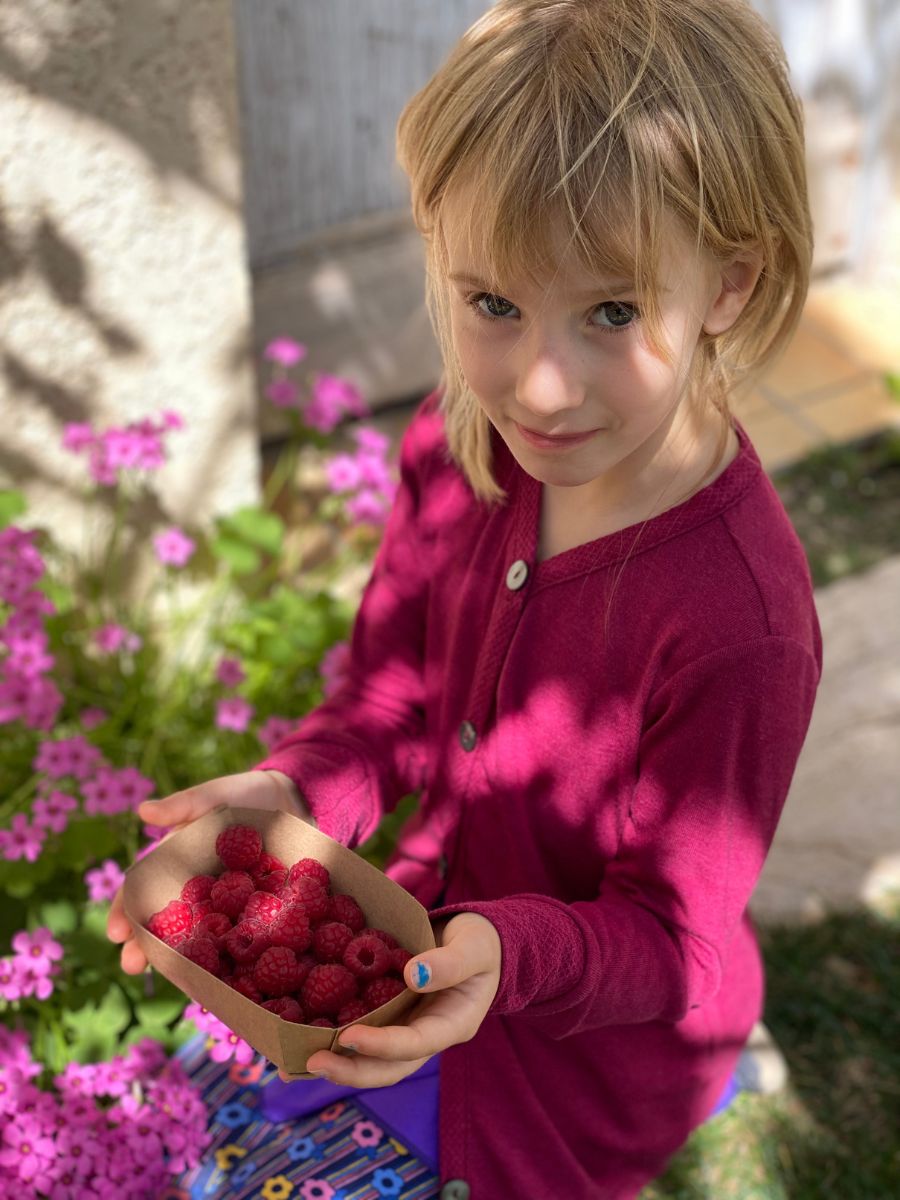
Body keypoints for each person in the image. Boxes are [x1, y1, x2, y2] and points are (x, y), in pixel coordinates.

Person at [108, 0, 824, 1195]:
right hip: (428, 947)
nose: (540, 386)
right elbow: (388, 702)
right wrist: (291, 796)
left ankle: (717, 1068)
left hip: (577, 1063)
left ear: (731, 285)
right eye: (494, 303)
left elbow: (669, 938)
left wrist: (501, 949)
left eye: (612, 310)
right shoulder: (460, 458)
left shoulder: (740, 624)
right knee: (172, 1129)